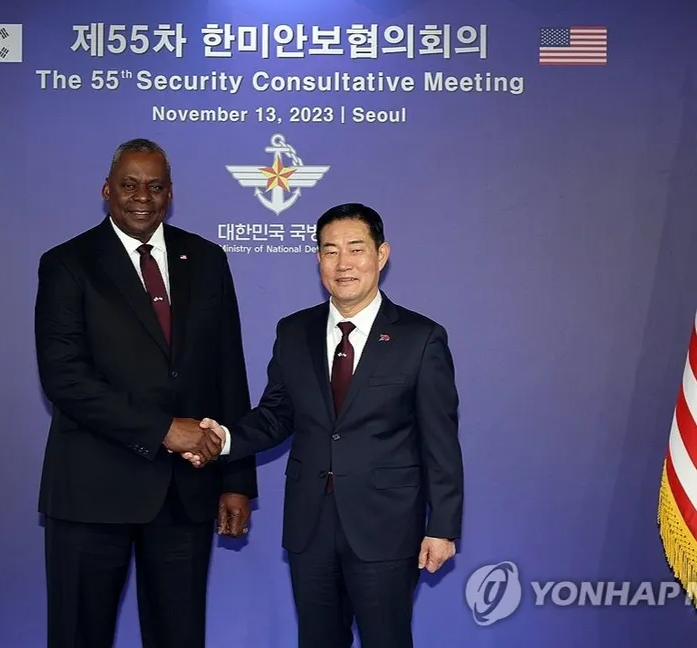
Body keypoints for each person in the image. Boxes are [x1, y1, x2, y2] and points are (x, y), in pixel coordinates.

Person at [185, 203, 464, 648]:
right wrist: (224, 438)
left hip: (386, 528)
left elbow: (441, 441)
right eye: (330, 251)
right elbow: (276, 414)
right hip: (310, 526)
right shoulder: (294, 331)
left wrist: (442, 527)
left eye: (356, 248)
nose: (343, 263)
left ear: (381, 254)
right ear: (318, 259)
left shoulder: (421, 338)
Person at [34, 138, 258, 648]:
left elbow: (229, 372)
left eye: (155, 187)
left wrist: (237, 480)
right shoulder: (68, 263)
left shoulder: (207, 260)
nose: (142, 197)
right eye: (129, 185)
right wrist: (163, 431)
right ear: (107, 190)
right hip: (92, 493)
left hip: (184, 495)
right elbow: (64, 378)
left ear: (170, 194)